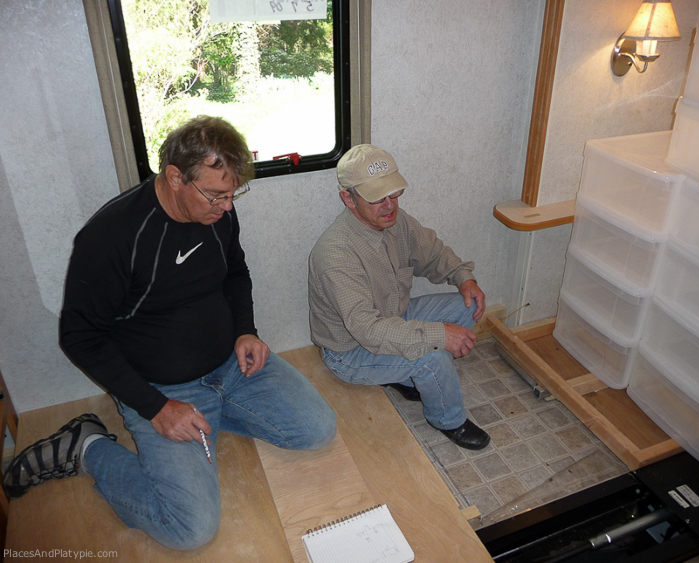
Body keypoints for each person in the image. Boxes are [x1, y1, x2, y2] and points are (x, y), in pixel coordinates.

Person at [4, 116, 336, 550]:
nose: (228, 207)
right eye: (217, 195)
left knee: (317, 429)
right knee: (190, 528)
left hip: (231, 366)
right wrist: (156, 407)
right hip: (160, 388)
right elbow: (80, 337)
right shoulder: (112, 236)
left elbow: (235, 273)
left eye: (233, 193)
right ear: (175, 177)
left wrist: (244, 332)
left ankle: (207, 425)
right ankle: (87, 447)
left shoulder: (217, 215)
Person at [308, 143, 490, 451]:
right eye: (377, 197)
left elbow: (433, 253)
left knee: (465, 306)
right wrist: (438, 335)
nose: (390, 205)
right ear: (348, 199)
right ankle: (448, 420)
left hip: (394, 316)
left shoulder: (396, 221)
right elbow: (368, 330)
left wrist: (464, 277)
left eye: (393, 193)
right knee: (434, 357)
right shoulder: (336, 253)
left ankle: (401, 376)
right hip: (352, 350)